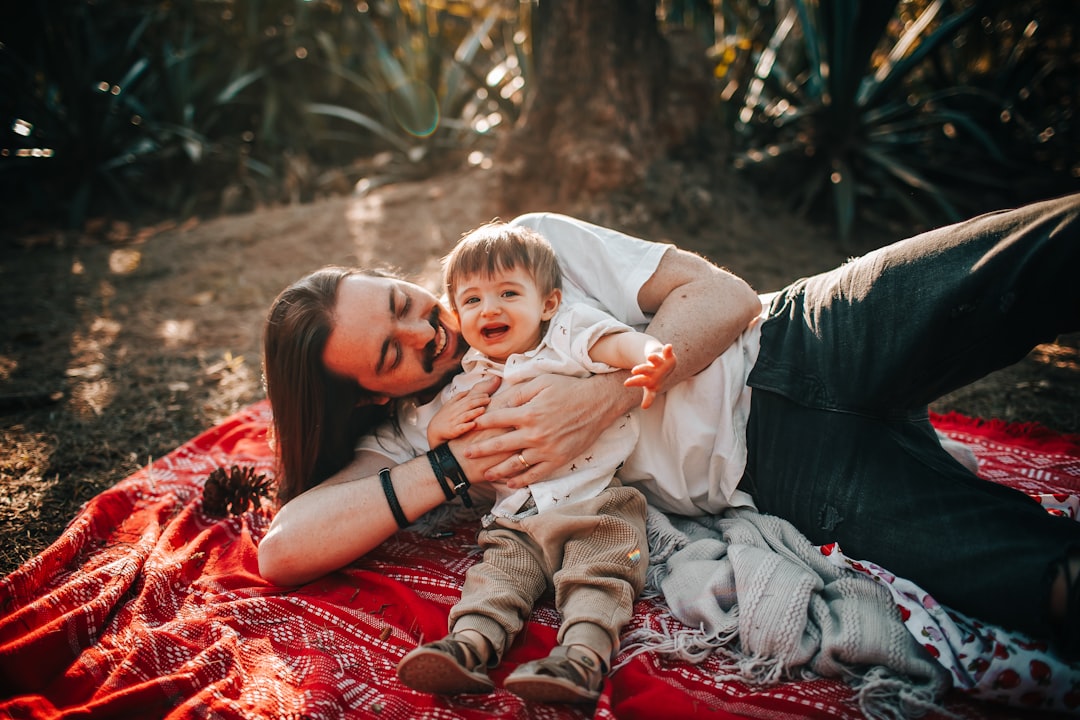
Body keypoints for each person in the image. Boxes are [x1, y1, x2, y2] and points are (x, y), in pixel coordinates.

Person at [259, 193, 1080, 662]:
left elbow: (725, 298)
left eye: (405, 302)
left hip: (805, 340)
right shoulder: (407, 438)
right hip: (785, 474)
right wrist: (452, 467)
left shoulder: (525, 253)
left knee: (1047, 250)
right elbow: (285, 546)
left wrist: (609, 397)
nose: (427, 331)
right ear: (368, 397)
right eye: (393, 352)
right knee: (1046, 587)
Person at [382, 223, 676, 702]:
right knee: (495, 579)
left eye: (508, 293)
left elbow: (616, 344)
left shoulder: (565, 336)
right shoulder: (470, 376)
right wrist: (441, 430)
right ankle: (467, 646)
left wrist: (650, 355)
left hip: (597, 503)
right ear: (459, 316)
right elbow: (441, 444)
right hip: (516, 517)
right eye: (472, 301)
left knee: (599, 578)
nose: (490, 308)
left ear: (547, 304)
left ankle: (580, 659)